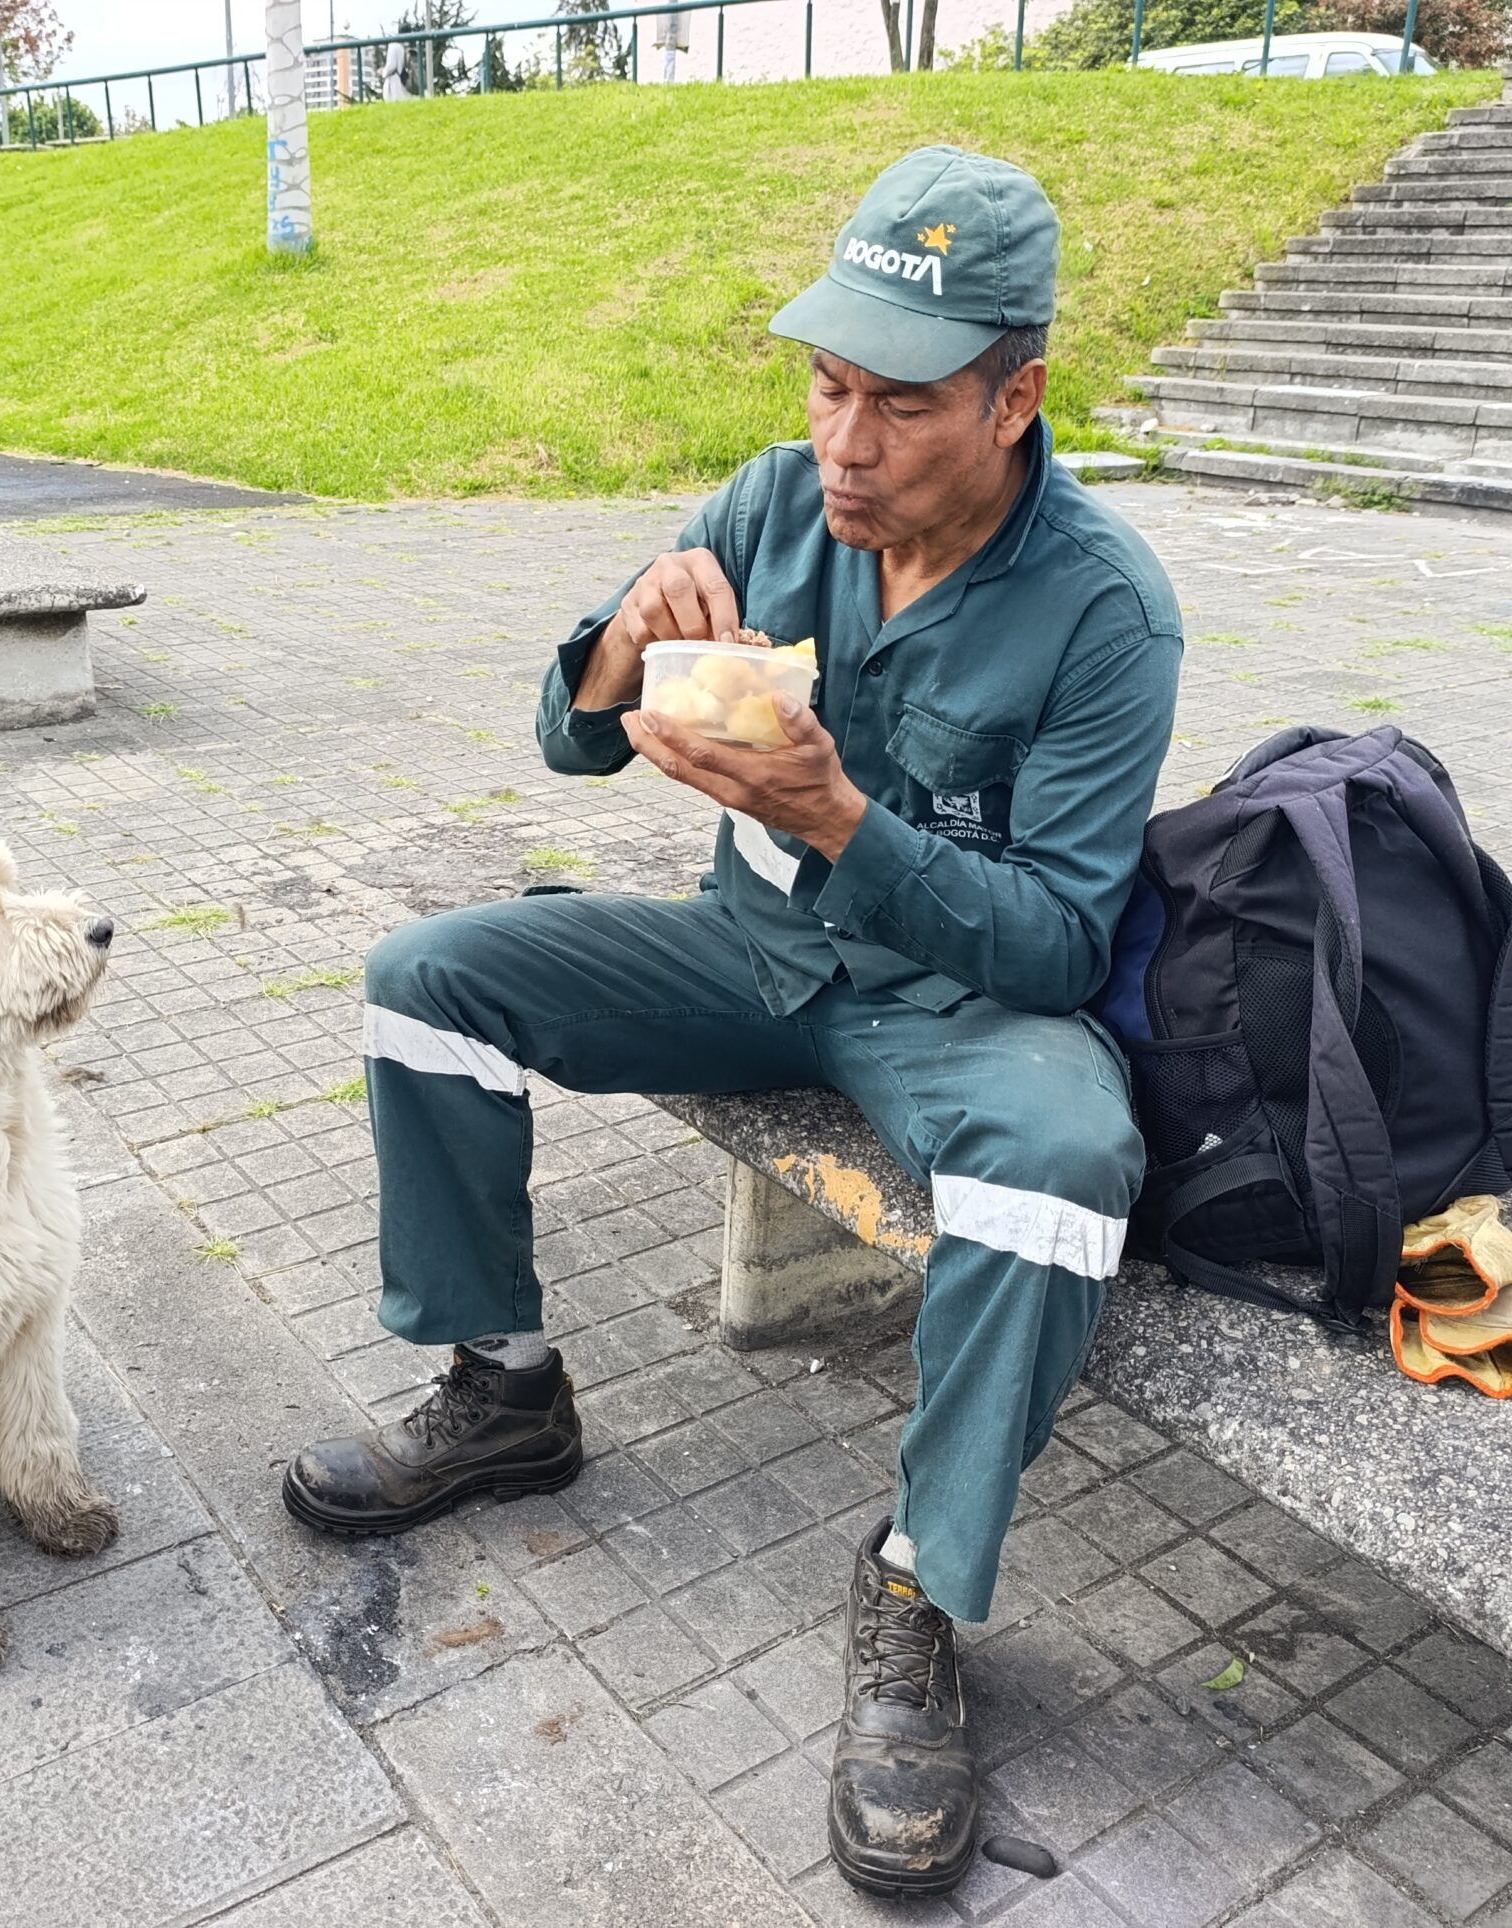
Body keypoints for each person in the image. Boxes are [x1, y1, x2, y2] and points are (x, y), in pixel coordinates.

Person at [283, 146, 1183, 1896]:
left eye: (900, 405)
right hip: (743, 955)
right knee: (428, 984)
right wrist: (618, 647)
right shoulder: (778, 500)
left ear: (1019, 398)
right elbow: (571, 740)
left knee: (1068, 1154)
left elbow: (1064, 945)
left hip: (947, 1003)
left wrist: (842, 817)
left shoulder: (1103, 608)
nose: (845, 444)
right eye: (829, 385)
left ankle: (922, 1584)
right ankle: (505, 1388)